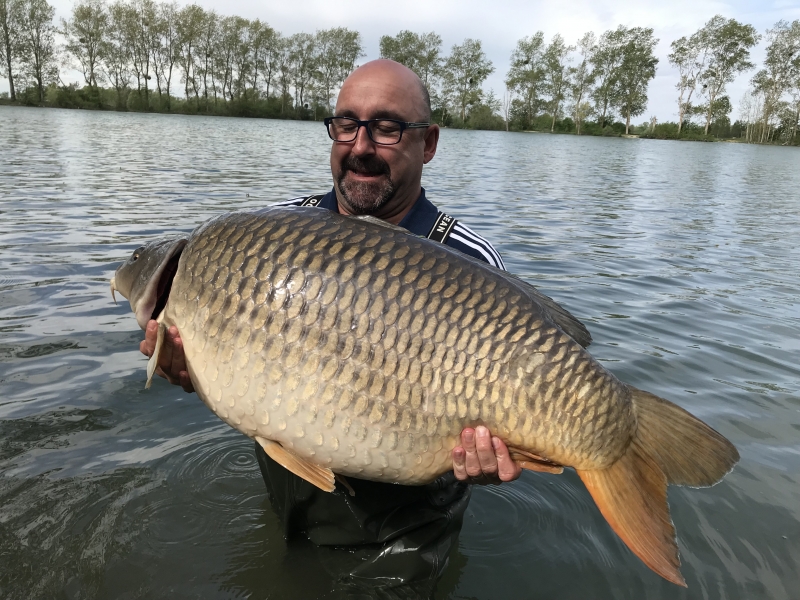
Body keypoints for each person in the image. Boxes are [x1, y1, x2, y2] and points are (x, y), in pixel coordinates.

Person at [141, 59, 521, 595]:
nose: (361, 145)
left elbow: (500, 420)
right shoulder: (273, 234)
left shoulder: (471, 262)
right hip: (290, 498)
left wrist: (488, 458)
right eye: (347, 124)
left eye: (387, 127)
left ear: (429, 143)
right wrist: (192, 367)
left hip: (402, 536)